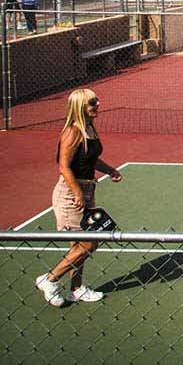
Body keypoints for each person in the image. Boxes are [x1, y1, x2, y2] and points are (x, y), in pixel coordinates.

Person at [35, 89, 123, 307]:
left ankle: (76, 288)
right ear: (80, 106)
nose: (98, 104)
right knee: (89, 242)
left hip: (87, 191)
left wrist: (110, 170)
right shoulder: (72, 131)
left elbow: (91, 159)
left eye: (97, 101)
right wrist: (76, 192)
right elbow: (64, 166)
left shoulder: (89, 128)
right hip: (70, 195)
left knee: (79, 244)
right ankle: (50, 279)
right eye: (93, 102)